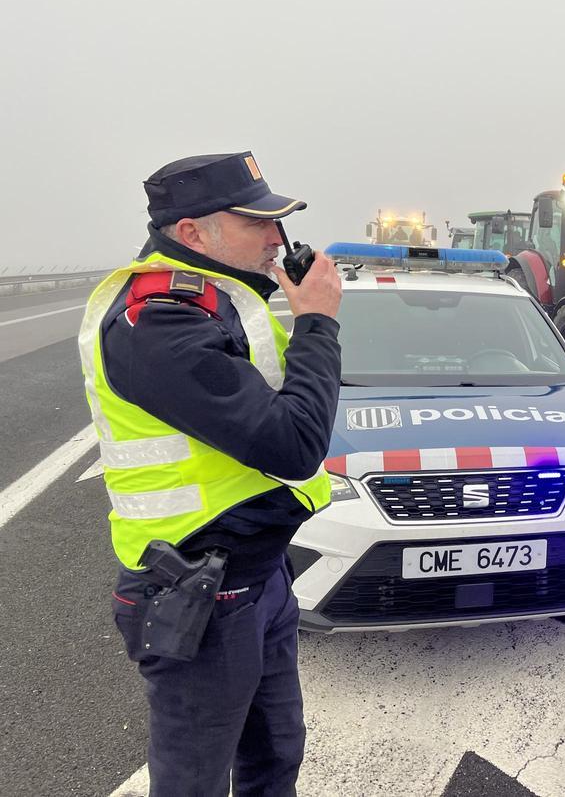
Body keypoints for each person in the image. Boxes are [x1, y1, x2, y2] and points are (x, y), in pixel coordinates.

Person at [79, 152, 343, 796]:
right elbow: (292, 443)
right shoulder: (157, 319)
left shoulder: (220, 301)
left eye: (279, 222)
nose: (277, 240)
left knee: (275, 755)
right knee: (193, 779)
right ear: (193, 232)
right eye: (258, 223)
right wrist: (318, 321)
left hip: (259, 574)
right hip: (197, 586)